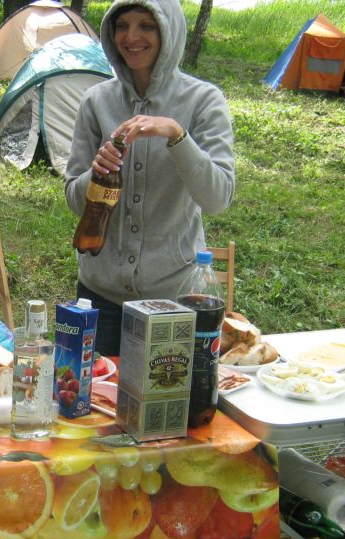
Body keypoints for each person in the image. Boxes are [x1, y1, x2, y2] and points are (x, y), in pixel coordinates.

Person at [65, 0, 235, 356]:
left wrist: (176, 135)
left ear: (169, 31)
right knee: (97, 389)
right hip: (100, 295)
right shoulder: (95, 101)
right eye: (122, 25)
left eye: (146, 25)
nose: (131, 37)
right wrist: (96, 174)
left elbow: (218, 197)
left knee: (168, 390)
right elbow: (74, 200)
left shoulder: (203, 101)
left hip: (173, 298)